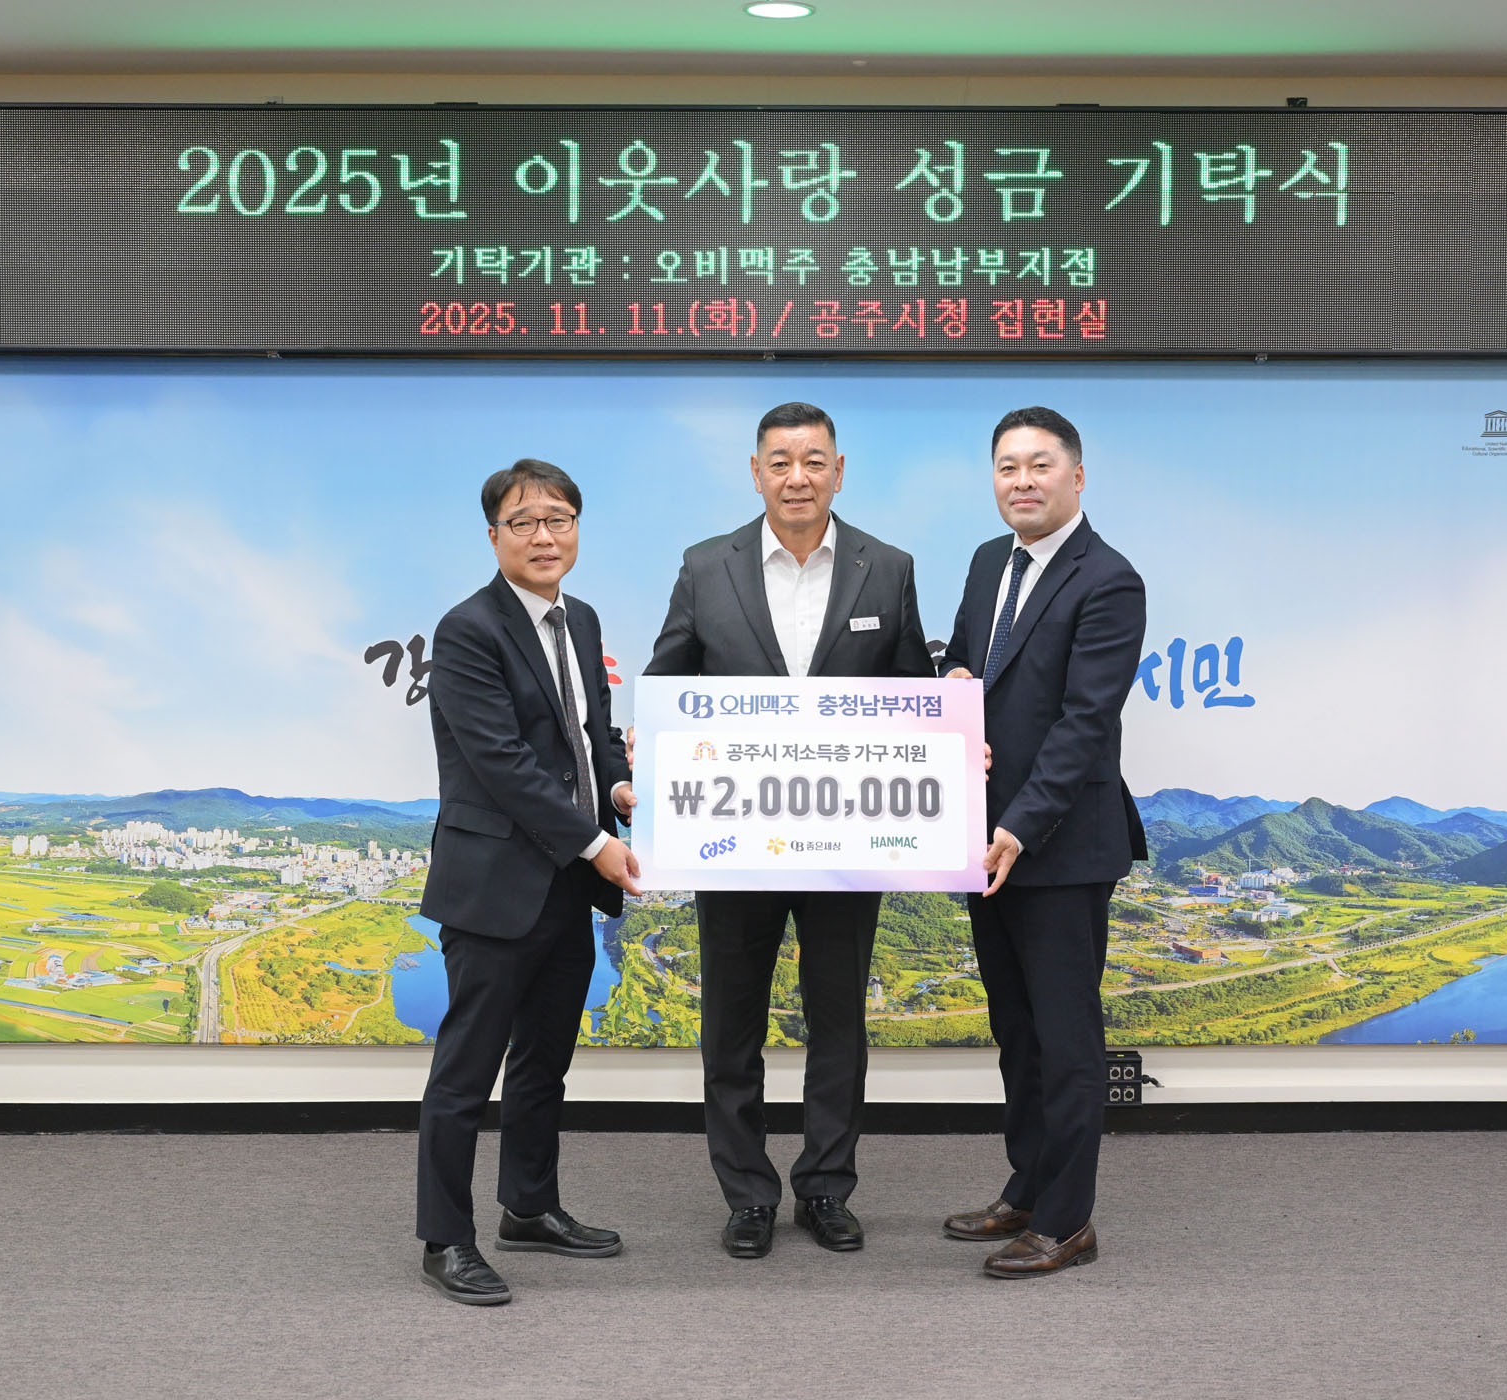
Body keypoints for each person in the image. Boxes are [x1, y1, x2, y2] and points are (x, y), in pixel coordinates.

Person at [645, 401, 934, 1259]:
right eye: (780, 461)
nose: (796, 477)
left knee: (838, 1020)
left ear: (838, 471)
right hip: (735, 843)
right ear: (755, 472)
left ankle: (826, 1187)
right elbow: (667, 685)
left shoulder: (889, 568)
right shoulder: (706, 566)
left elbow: (913, 696)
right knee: (731, 1023)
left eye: (813, 461)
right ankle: (747, 1195)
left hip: (849, 843)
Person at [415, 458, 641, 1306]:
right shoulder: (467, 630)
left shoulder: (580, 620)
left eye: (559, 520)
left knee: (545, 1062)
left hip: (566, 886)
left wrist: (621, 787)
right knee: (466, 1073)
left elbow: (593, 735)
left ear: (577, 529)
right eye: (524, 522)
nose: (544, 536)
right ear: (494, 537)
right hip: (494, 885)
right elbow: (503, 765)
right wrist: (597, 843)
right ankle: (445, 1238)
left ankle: (530, 1207)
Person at [937, 406, 1147, 1279]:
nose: (1021, 481)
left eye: (1039, 465)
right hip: (982, 842)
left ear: (1077, 476)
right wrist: (952, 674)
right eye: (1007, 467)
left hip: (1055, 848)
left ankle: (1067, 1221)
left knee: (1065, 1043)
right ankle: (1026, 1188)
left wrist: (1020, 826)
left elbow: (1084, 725)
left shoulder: (1111, 580)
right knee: (1016, 1032)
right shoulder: (991, 561)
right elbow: (966, 660)